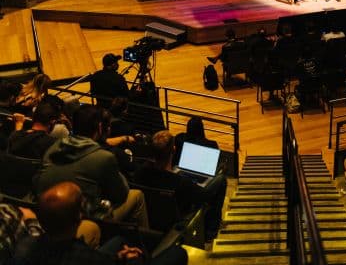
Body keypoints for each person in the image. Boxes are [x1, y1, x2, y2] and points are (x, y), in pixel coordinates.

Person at [12, 181, 187, 265]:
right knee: (178, 253)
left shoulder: (24, 245)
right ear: (79, 218)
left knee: (119, 240)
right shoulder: (87, 258)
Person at [35, 106, 149, 228]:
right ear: (100, 127)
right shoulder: (103, 157)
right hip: (83, 220)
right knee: (136, 195)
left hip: (47, 215)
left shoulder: (53, 147)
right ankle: (144, 242)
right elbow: (121, 194)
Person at [133, 130, 226, 240]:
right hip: (176, 221)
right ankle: (210, 232)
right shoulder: (180, 181)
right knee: (221, 179)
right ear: (174, 149)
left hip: (151, 218)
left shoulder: (140, 173)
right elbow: (203, 196)